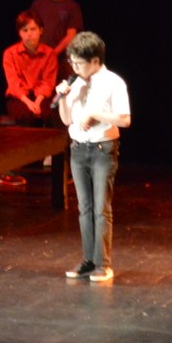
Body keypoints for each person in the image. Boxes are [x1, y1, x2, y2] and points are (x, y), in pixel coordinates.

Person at [55, 31, 130, 283]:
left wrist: (97, 114)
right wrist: (63, 98)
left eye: (79, 63)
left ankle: (103, 264)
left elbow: (125, 119)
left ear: (95, 60)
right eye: (72, 63)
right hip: (78, 150)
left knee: (101, 209)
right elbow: (67, 120)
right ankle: (88, 260)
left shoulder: (113, 82)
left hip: (102, 150)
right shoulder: (76, 83)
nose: (75, 68)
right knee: (84, 208)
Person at [2, 10, 58, 127]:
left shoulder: (50, 54)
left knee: (49, 116)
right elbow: (13, 83)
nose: (29, 34)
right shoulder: (10, 53)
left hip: (42, 96)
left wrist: (37, 102)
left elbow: (48, 83)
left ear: (41, 30)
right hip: (20, 97)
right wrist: (28, 103)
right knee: (25, 117)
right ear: (20, 33)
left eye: (33, 29)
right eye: (25, 30)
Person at [31, 0, 84, 77]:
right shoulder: (38, 5)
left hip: (63, 61)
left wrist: (52, 54)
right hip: (40, 59)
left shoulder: (72, 6)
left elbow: (71, 35)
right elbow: (31, 29)